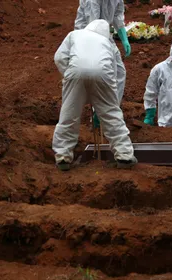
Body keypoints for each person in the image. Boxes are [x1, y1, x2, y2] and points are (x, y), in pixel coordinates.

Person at [52, 19, 137, 171]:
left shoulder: (74, 35)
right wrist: (110, 100)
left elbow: (59, 58)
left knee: (69, 115)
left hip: (75, 71)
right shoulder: (108, 44)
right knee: (112, 115)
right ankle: (125, 156)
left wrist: (70, 76)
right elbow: (117, 72)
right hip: (103, 74)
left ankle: (63, 156)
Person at [74, 0, 130, 105]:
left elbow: (117, 15)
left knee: (119, 72)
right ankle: (99, 109)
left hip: (105, 35)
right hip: (88, 37)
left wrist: (124, 38)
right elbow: (93, 24)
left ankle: (112, 107)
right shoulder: (92, 1)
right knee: (102, 72)